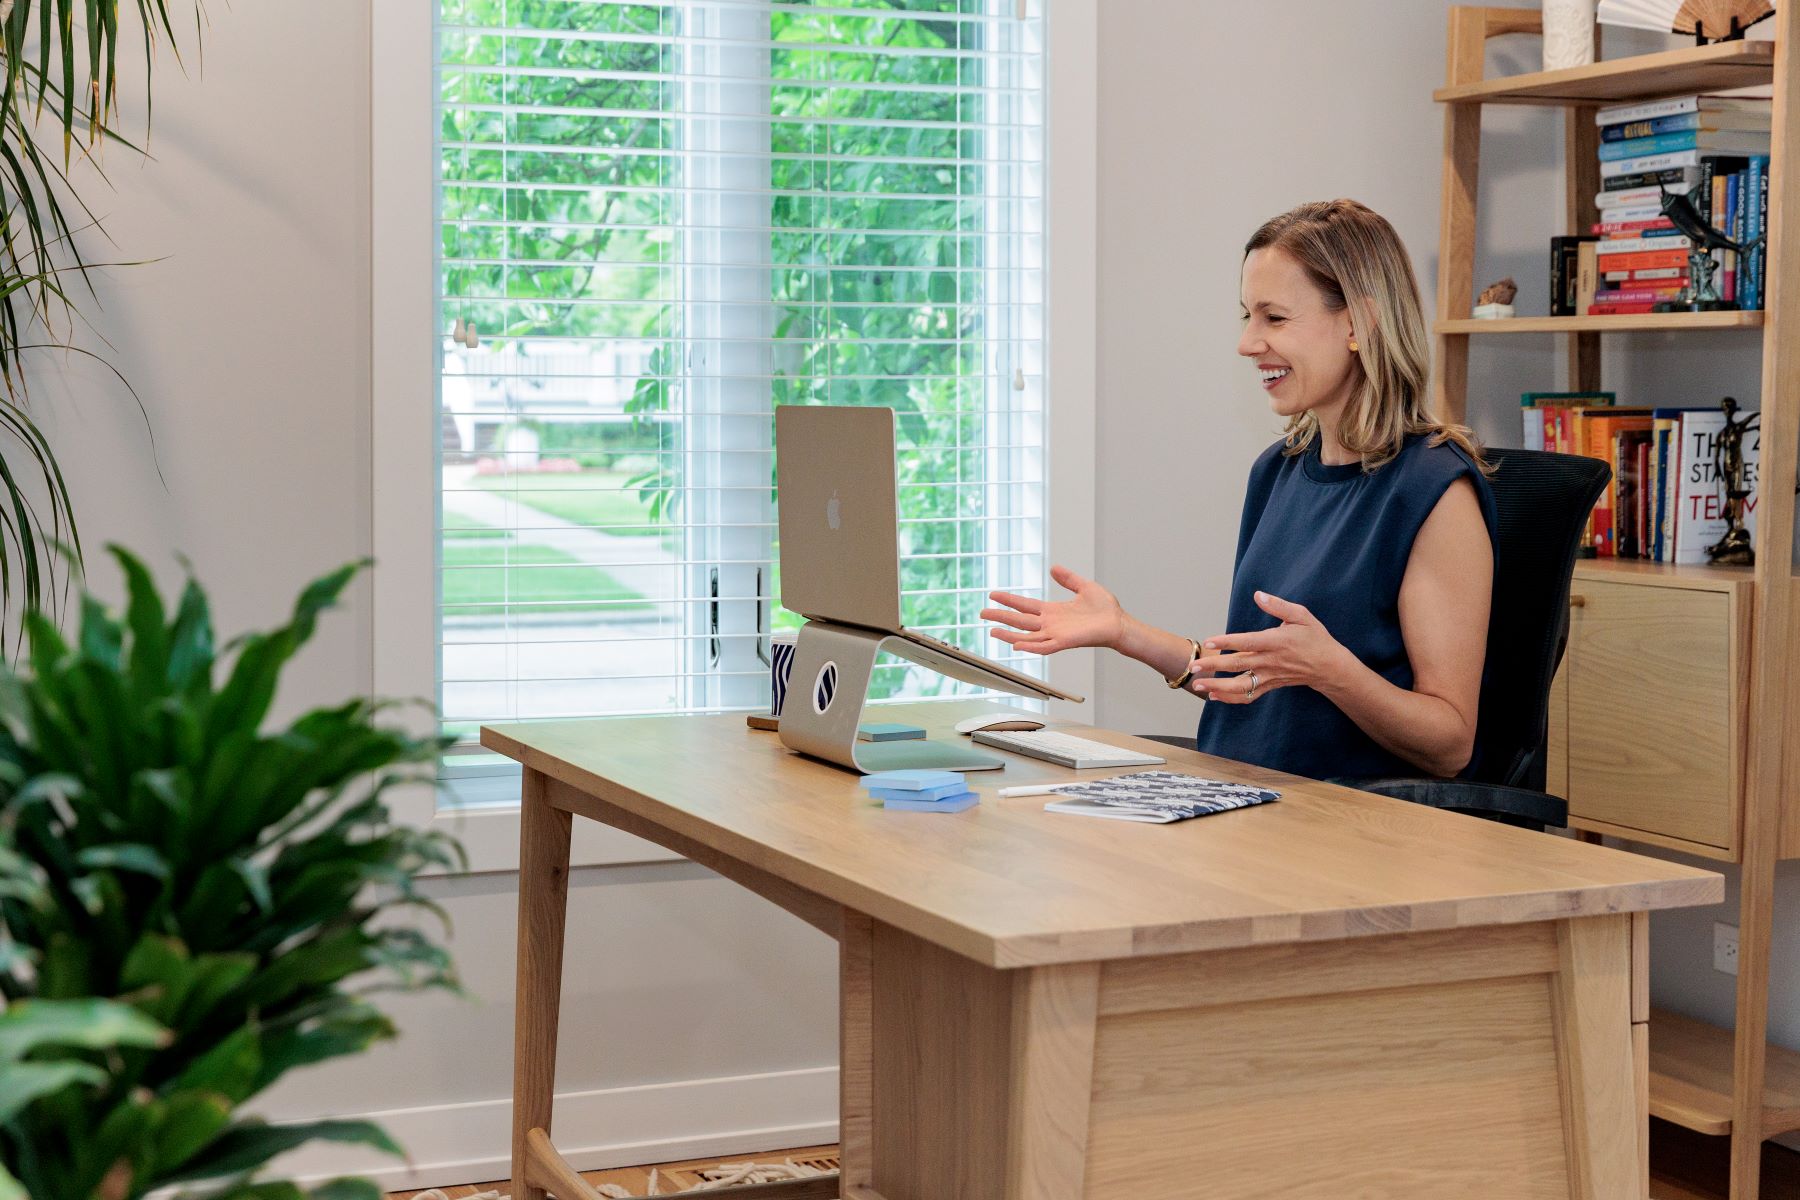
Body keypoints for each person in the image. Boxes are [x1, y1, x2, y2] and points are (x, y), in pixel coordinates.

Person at [982, 199, 1497, 781]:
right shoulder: (1278, 469)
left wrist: (1332, 670)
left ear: (1359, 322)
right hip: (1240, 794)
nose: (1248, 342)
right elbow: (1250, 680)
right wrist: (1125, 633)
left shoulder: (1433, 491)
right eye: (1247, 316)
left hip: (1344, 828)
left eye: (1274, 318)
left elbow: (1451, 743)